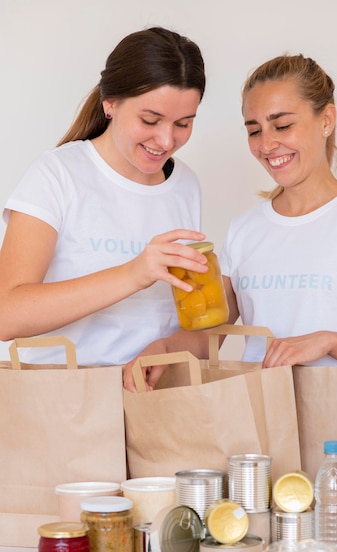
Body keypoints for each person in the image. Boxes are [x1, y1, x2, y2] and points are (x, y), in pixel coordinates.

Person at [123, 52, 337, 391]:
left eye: (282, 125)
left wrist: (328, 341)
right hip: (263, 421)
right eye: (254, 131)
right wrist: (162, 350)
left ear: (327, 120)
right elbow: (211, 336)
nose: (266, 144)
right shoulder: (245, 230)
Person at [0, 26, 209, 365]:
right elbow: (8, 313)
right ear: (110, 103)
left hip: (157, 400)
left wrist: (173, 346)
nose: (167, 140)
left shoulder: (185, 184)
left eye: (183, 123)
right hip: (67, 402)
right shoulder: (57, 174)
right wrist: (133, 273)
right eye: (150, 120)